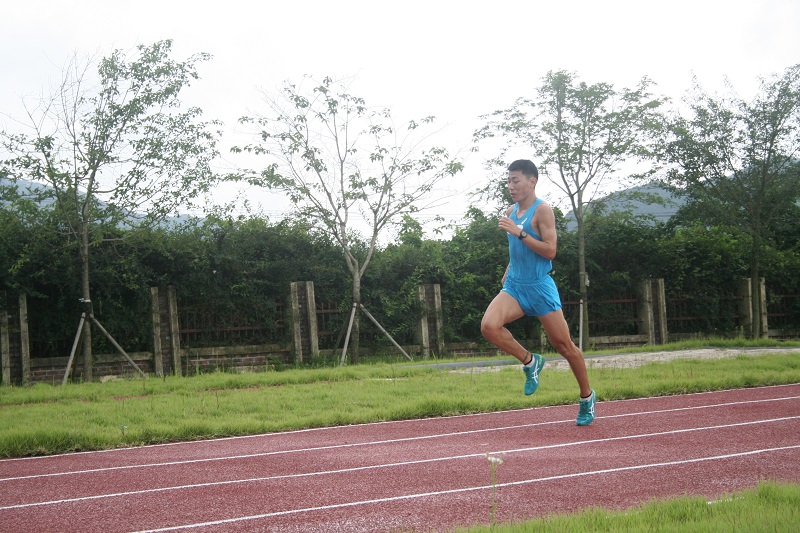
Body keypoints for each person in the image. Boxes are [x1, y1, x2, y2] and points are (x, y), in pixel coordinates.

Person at [480, 159, 596, 426]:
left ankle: (587, 397)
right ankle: (530, 361)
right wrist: (509, 267)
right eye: (508, 181)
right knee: (489, 327)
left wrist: (520, 233)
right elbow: (518, 249)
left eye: (515, 180)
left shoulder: (543, 210)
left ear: (532, 181)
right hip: (515, 286)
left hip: (539, 287)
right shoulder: (511, 211)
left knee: (564, 346)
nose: (510, 186)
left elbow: (550, 250)